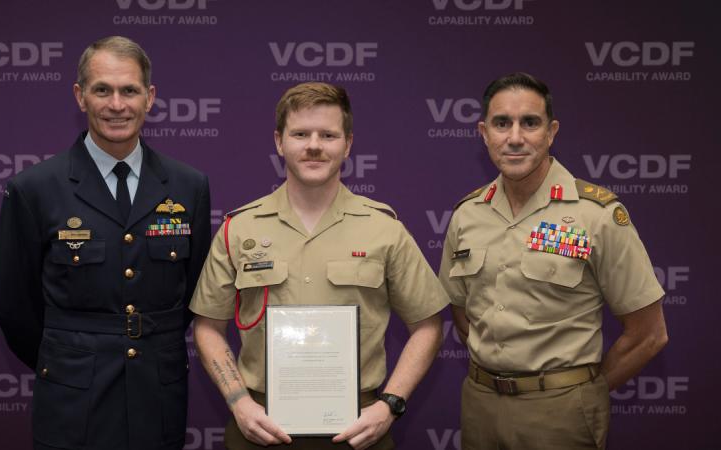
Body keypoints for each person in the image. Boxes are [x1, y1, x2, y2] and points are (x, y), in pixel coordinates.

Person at [190, 82, 448, 450]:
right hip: (260, 427)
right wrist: (239, 402)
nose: (314, 145)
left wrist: (389, 404)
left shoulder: (385, 229)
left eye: (328, 135)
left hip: (360, 428)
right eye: (300, 134)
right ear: (279, 141)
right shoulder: (239, 229)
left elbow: (428, 325)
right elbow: (208, 327)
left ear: (348, 144)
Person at [0, 36, 211, 450]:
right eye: (102, 90)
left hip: (157, 396)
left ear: (150, 97)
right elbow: (12, 303)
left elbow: (194, 294)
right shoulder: (35, 188)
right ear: (80, 96)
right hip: (72, 398)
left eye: (130, 90)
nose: (117, 104)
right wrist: (67, 358)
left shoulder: (189, 186)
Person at [438, 72, 668, 450]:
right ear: (484, 133)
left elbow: (649, 334)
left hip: (561, 413)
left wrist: (583, 392)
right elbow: (462, 312)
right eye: (501, 123)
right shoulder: (467, 214)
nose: (515, 137)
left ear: (551, 132)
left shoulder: (595, 215)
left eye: (530, 123)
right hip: (480, 405)